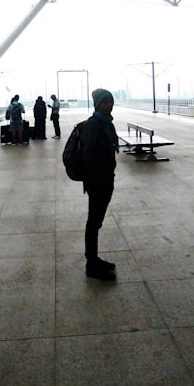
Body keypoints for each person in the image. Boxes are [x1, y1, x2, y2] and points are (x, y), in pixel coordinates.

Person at [80, 88, 119, 281]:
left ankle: (94, 259)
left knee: (96, 222)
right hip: (97, 183)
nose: (109, 104)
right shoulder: (94, 125)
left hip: (105, 180)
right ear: (97, 104)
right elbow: (88, 155)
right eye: (104, 102)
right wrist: (97, 181)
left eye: (111, 101)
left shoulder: (106, 123)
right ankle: (91, 264)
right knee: (93, 222)